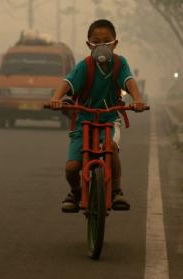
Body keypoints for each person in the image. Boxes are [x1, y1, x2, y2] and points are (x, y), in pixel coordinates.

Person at [49, 19, 146, 212]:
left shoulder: (120, 63)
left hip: (110, 119)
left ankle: (117, 190)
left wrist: (137, 99)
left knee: (111, 148)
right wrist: (56, 98)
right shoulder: (84, 66)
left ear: (115, 43)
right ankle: (75, 192)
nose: (101, 45)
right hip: (82, 121)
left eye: (107, 40)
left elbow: (129, 82)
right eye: (96, 41)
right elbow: (67, 83)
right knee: (71, 168)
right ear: (89, 45)